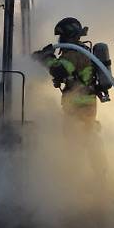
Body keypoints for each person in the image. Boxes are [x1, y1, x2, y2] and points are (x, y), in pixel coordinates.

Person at [33, 17, 107, 182]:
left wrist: (46, 57)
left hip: (79, 106)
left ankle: (79, 177)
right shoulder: (78, 51)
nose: (60, 40)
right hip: (83, 104)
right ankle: (95, 174)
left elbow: (59, 70)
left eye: (61, 36)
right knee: (86, 138)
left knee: (78, 140)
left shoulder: (74, 53)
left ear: (68, 35)